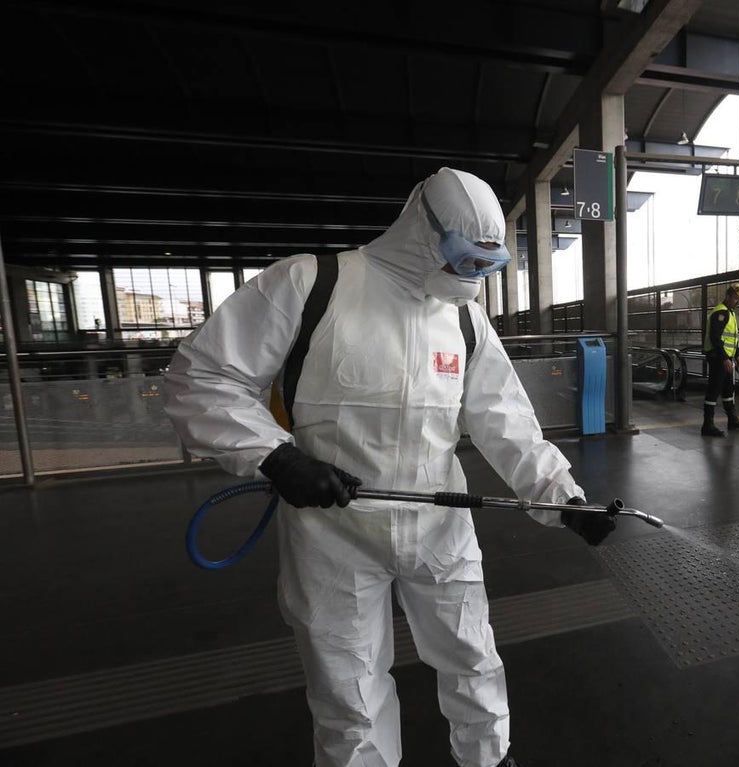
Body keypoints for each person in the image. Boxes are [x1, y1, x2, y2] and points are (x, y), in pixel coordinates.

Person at [163, 167, 615, 767]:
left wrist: (562, 497)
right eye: (464, 260)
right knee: (348, 691)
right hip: (333, 532)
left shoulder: (462, 321)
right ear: (422, 232)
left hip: (440, 526)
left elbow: (506, 422)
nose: (472, 278)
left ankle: (489, 760)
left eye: (487, 265)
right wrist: (277, 456)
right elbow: (201, 380)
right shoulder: (310, 284)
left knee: (473, 659)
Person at [701, 284, 739, 437]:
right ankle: (707, 425)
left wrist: (736, 355)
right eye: (736, 298)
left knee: (728, 389)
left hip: (725, 357)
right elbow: (715, 338)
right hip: (718, 357)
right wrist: (724, 358)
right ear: (727, 297)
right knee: (714, 389)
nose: (737, 302)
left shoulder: (730, 313)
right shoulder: (721, 312)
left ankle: (732, 419)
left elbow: (731, 339)